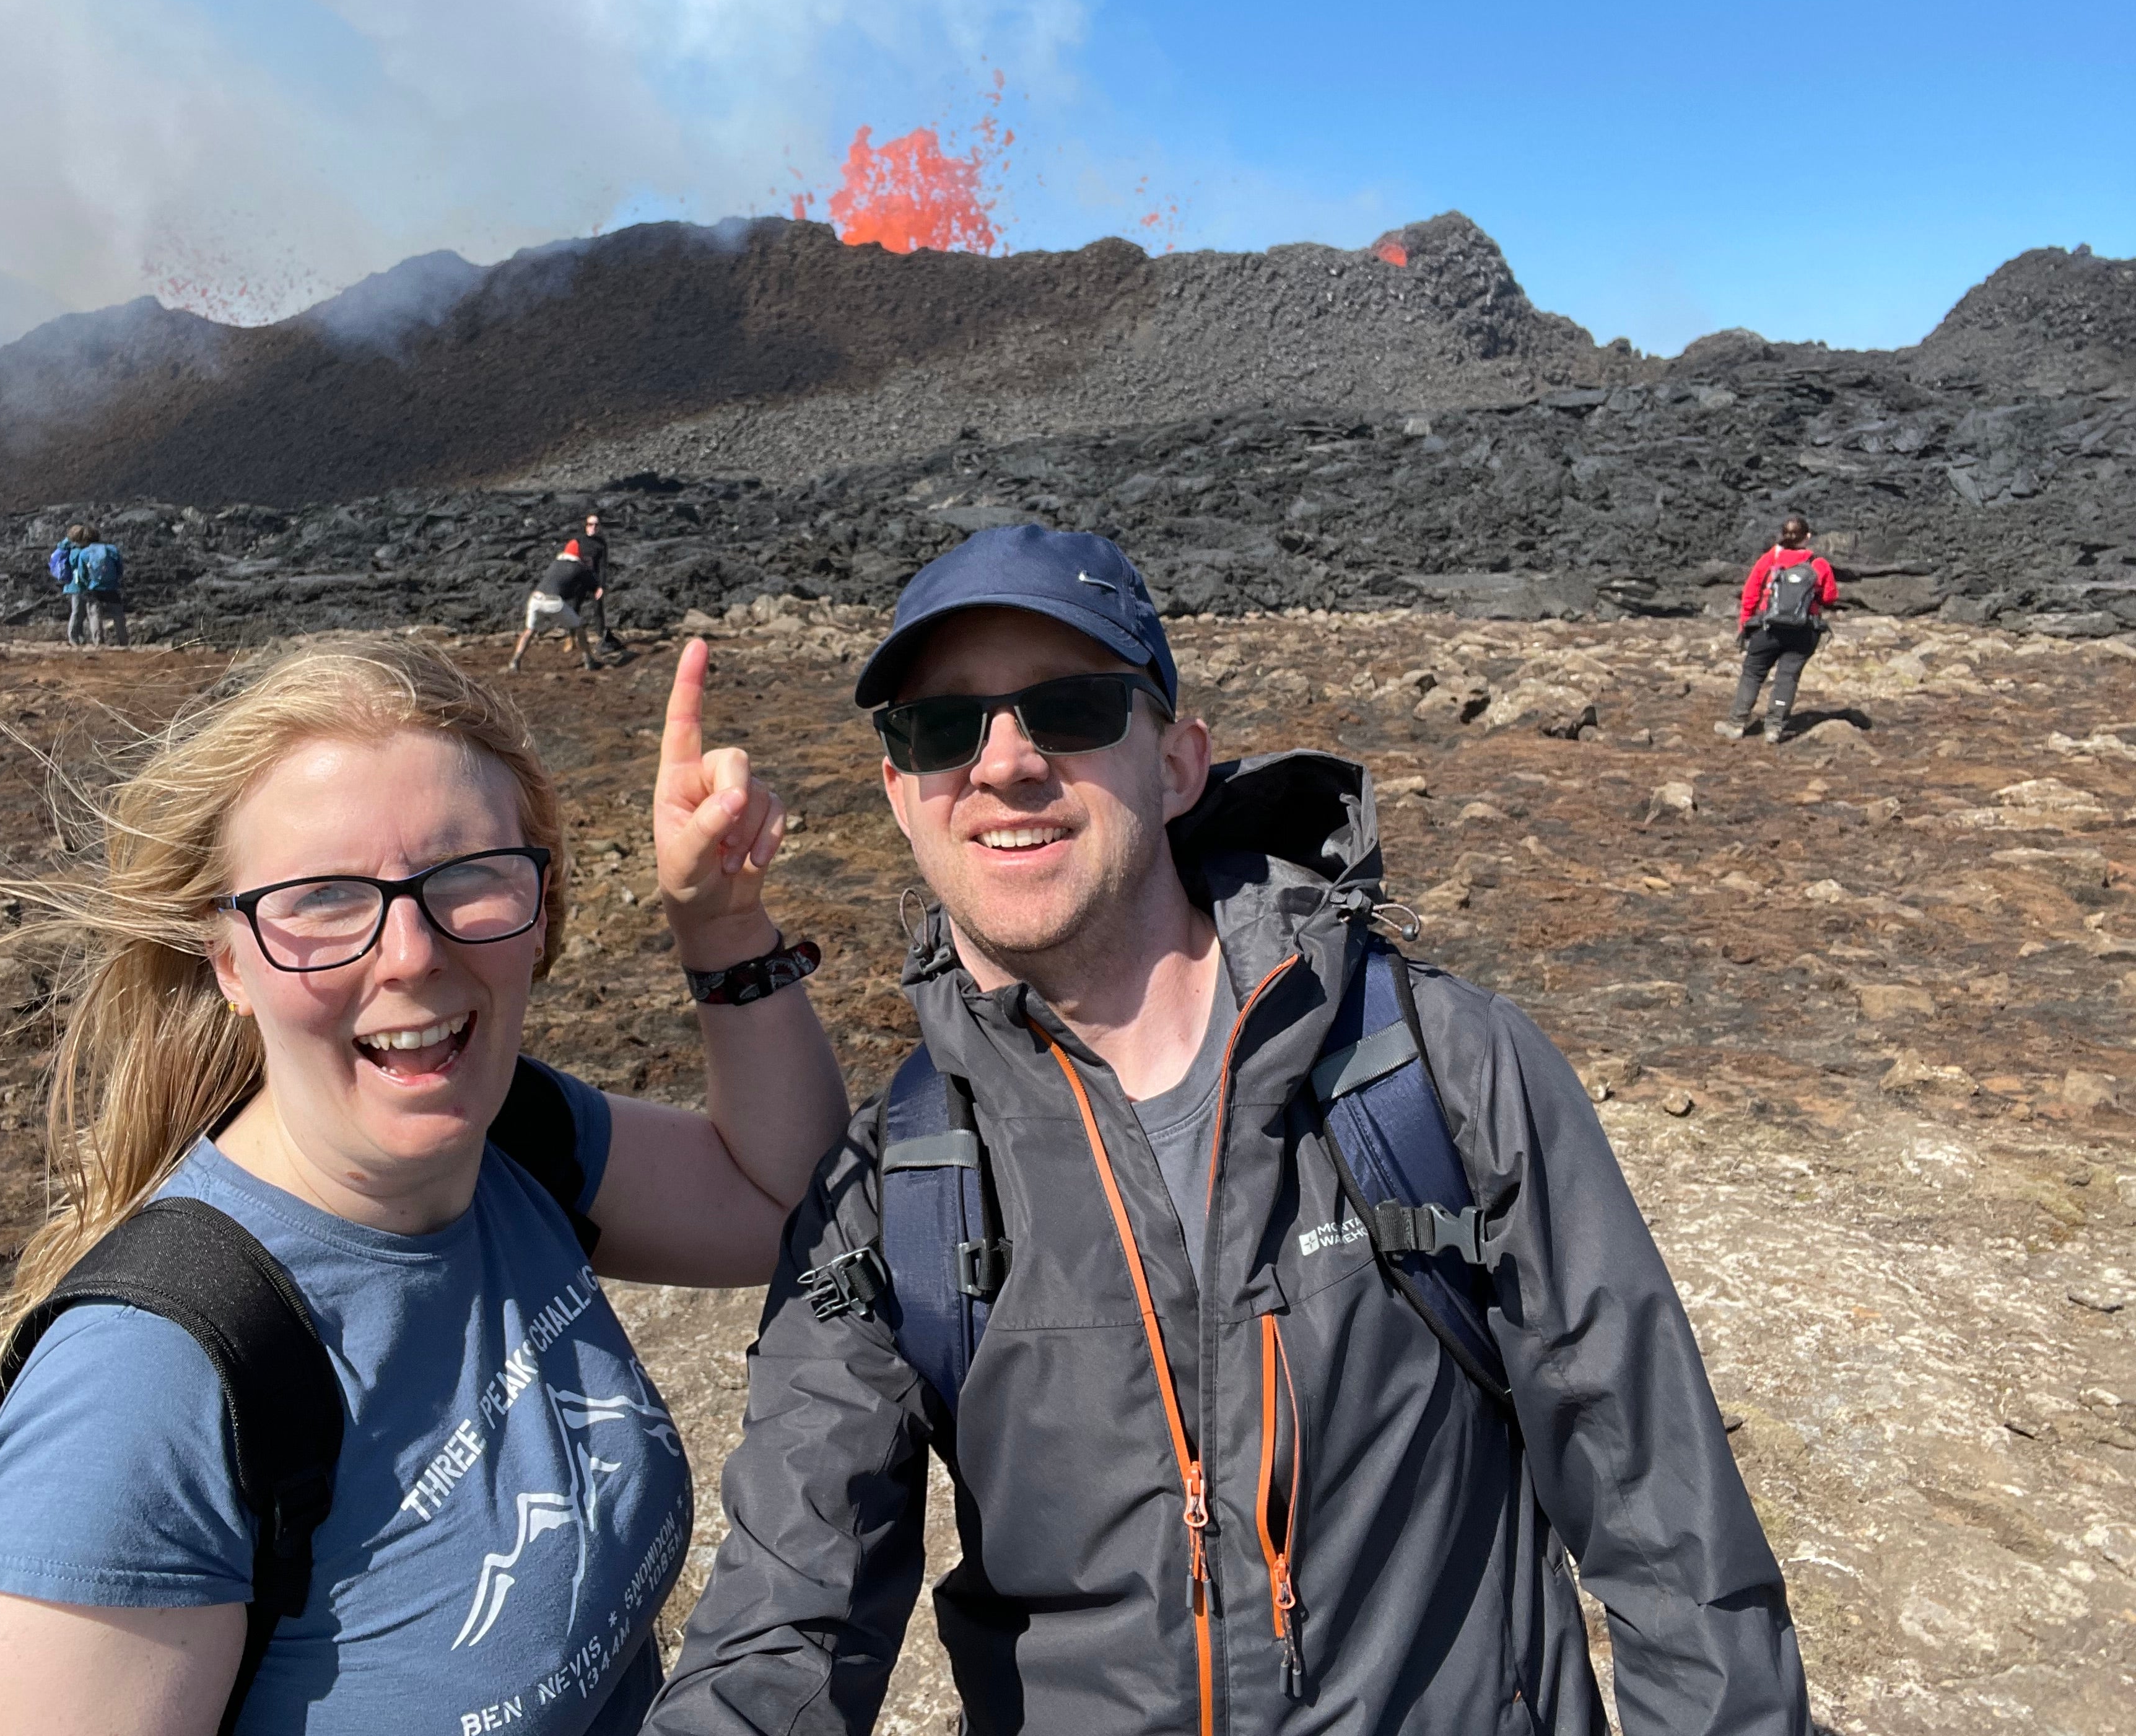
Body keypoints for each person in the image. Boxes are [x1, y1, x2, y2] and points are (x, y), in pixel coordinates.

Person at [651, 525, 1810, 1736]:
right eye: (942, 727)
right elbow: (780, 1622)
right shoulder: (899, 1189)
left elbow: (1665, 1521)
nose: (1004, 764)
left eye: (1072, 709)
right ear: (900, 794)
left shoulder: (1436, 1074)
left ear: (1179, 762)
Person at [0, 636, 848, 1735]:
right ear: (228, 959)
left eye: (468, 877)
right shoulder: (142, 1400)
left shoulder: (515, 1140)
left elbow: (781, 1205)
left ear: (540, 909)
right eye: (320, 898)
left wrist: (723, 926)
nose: (411, 951)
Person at [1722, 516, 1838, 744]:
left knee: (1753, 673)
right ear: (1808, 537)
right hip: (1804, 631)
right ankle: (1774, 728)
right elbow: (1830, 597)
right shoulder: (1819, 564)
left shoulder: (1769, 560)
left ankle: (1736, 724)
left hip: (1768, 628)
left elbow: (1750, 595)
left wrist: (1745, 626)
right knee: (1788, 677)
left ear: (1782, 535)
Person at [507, 540, 603, 671]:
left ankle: (515, 661)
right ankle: (589, 660)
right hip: (553, 602)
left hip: (535, 599)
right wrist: (589, 567)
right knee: (579, 627)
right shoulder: (578, 567)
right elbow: (593, 583)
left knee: (529, 631)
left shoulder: (556, 563)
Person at [66, 525, 128, 647]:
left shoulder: (84, 553)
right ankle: (123, 641)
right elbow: (120, 568)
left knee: (95, 615)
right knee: (118, 615)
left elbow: (82, 573)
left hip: (94, 588)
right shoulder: (112, 549)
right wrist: (116, 580)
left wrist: (88, 583)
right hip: (111, 588)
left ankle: (98, 641)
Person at [577, 512, 620, 648]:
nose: (593, 527)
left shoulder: (601, 544)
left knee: (598, 608)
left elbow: (603, 566)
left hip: (594, 579)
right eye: (590, 524)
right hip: (579, 578)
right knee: (574, 607)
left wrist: (601, 586)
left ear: (599, 527)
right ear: (586, 526)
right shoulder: (579, 541)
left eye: (596, 525)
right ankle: (572, 636)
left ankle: (601, 635)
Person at [50, 525, 90, 645]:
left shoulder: (71, 547)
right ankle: (73, 637)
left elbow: (62, 545)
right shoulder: (77, 550)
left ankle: (78, 636)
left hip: (75, 584)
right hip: (78, 584)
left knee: (80, 612)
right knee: (78, 611)